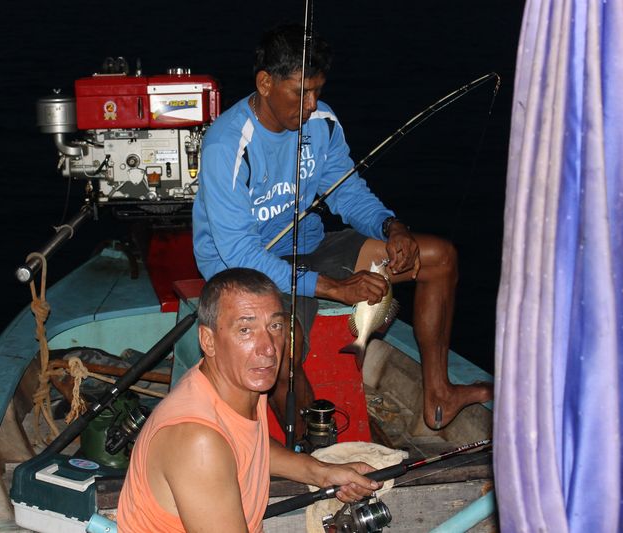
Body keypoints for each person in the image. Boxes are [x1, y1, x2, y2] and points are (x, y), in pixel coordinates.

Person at [192, 24, 492, 432]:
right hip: (245, 269)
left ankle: (439, 394)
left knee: (439, 257)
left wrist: (392, 226)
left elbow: (347, 192)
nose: (312, 104)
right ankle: (313, 446)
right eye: (301, 92)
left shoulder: (323, 123)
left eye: (318, 90)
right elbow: (240, 252)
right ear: (265, 83)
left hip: (310, 245)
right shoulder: (226, 144)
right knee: (282, 346)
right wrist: (334, 287)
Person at [116, 268, 382, 532]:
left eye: (275, 326)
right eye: (245, 330)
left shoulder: (235, 384)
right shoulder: (199, 442)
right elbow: (221, 448)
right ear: (208, 341)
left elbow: (249, 444)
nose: (268, 348)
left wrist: (320, 472)